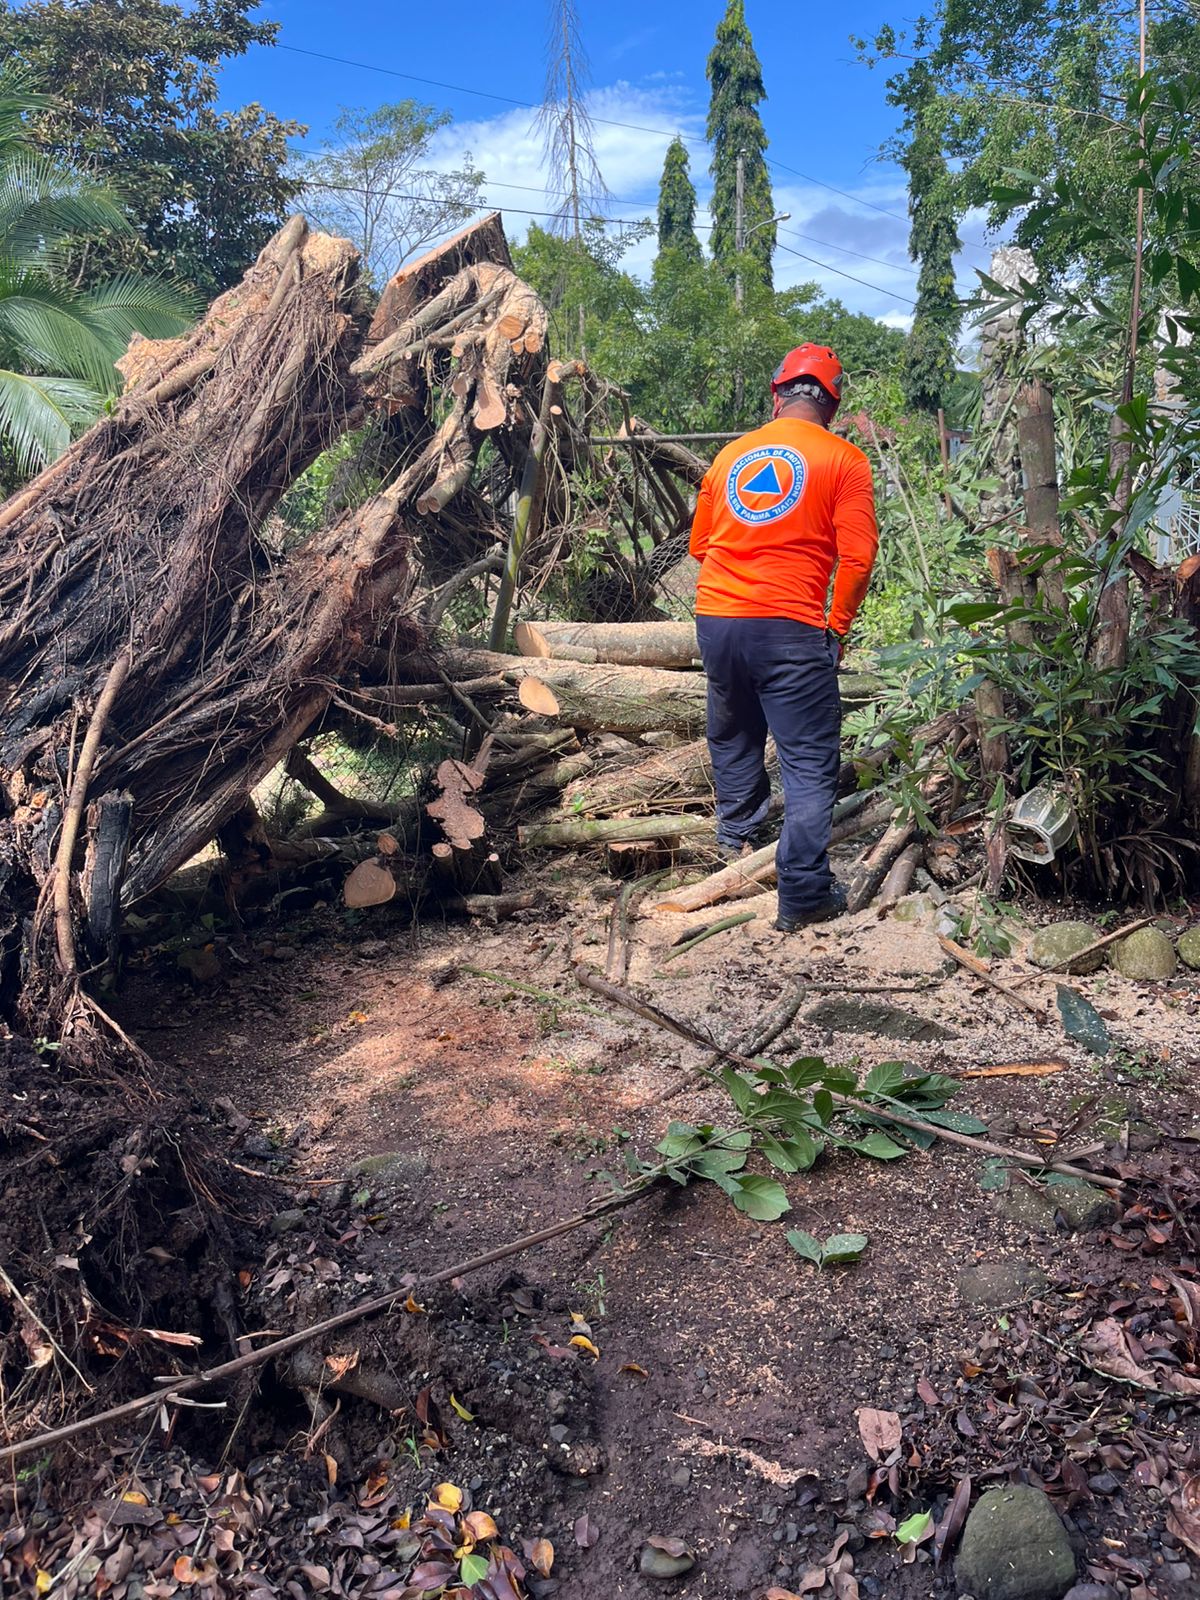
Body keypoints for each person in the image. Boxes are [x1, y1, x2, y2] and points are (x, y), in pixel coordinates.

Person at [689, 344, 879, 930]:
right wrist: (837, 629)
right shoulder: (844, 460)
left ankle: (737, 846)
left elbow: (700, 547)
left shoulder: (728, 458)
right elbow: (859, 558)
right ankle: (803, 893)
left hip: (716, 619)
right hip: (790, 625)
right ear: (832, 403)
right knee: (809, 760)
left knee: (734, 732)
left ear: (778, 396)